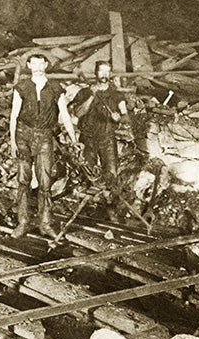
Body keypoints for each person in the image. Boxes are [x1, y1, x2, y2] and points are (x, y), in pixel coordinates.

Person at [8, 52, 78, 237]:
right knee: (23, 180)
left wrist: (73, 137)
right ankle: (23, 222)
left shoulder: (55, 88)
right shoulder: (21, 87)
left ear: (46, 65)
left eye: (42, 63)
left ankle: (45, 223)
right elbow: (14, 116)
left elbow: (64, 114)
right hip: (23, 135)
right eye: (34, 64)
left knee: (45, 181)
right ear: (29, 66)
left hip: (45, 136)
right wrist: (12, 141)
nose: (38, 67)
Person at [75, 61, 129, 219]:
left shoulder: (117, 95)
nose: (104, 75)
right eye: (101, 71)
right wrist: (91, 96)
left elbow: (125, 116)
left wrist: (119, 117)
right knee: (88, 174)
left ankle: (110, 210)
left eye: (107, 72)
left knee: (111, 174)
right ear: (96, 73)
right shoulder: (85, 92)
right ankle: (89, 211)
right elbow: (79, 113)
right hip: (88, 138)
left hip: (107, 139)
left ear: (110, 74)